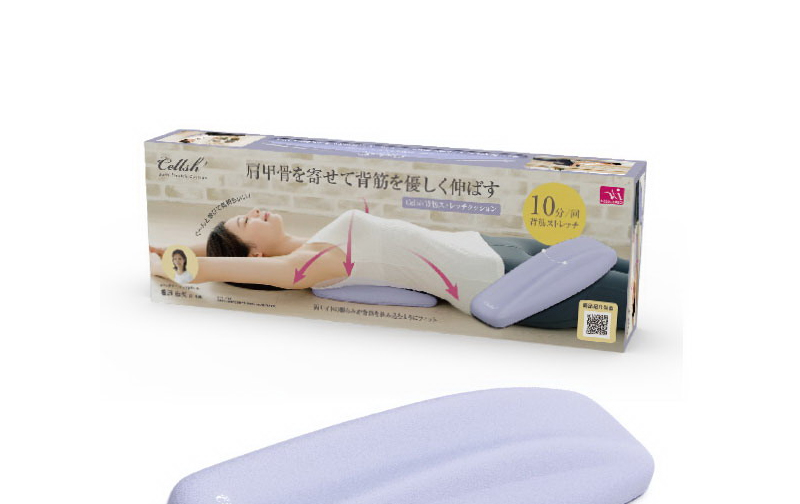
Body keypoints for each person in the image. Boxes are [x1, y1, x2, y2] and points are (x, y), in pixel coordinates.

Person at [150, 205, 628, 328]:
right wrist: (172, 266)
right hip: (502, 281)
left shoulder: (313, 243)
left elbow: (227, 250)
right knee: (629, 297)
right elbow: (219, 266)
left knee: (633, 270)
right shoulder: (307, 265)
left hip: (491, 245)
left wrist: (177, 246)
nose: (255, 212)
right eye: (246, 221)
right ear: (254, 255)